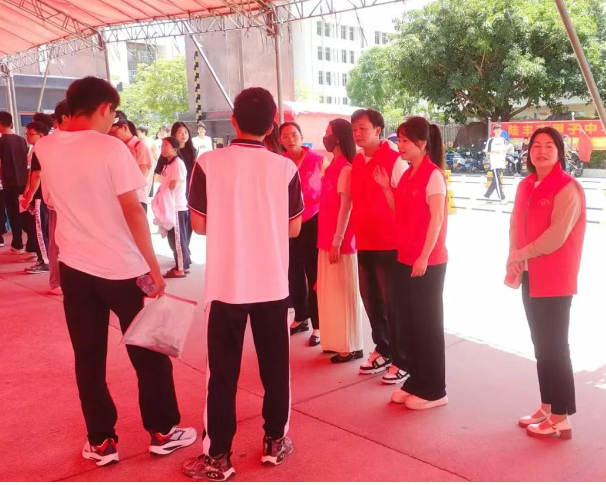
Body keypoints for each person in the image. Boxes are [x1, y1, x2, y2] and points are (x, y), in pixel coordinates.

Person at [34, 76, 196, 466]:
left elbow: (52, 200)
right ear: (105, 107)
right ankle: (162, 431)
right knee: (148, 350)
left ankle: (101, 441)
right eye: (113, 113)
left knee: (88, 357)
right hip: (123, 268)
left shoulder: (45, 146)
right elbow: (133, 211)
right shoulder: (111, 148)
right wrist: (154, 267)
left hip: (75, 268)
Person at [184, 87, 302, 481]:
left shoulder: (208, 163)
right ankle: (274, 442)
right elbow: (294, 228)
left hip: (226, 284)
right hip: (271, 284)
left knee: (222, 374)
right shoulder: (284, 168)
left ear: (233, 120)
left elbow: (199, 225)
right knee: (275, 368)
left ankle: (218, 457)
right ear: (272, 125)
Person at [506, 127, 586, 440]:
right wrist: (514, 255)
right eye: (536, 145)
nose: (541, 151)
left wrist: (520, 253)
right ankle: (548, 404)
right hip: (531, 275)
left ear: (559, 152)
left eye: (549, 146)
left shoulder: (567, 187)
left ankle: (560, 417)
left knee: (555, 346)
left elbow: (556, 236)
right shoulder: (526, 184)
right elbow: (515, 223)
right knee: (541, 344)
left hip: (555, 278)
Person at [374, 117, 449, 410]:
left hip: (427, 262)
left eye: (405, 140)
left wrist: (424, 256)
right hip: (405, 257)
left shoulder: (433, 175)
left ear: (422, 143)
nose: (400, 145)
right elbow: (401, 209)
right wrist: (385, 188)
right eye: (400, 139)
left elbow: (437, 219)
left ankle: (435, 389)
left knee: (428, 325)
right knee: (410, 323)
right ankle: (417, 381)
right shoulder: (407, 174)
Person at [350, 108, 409, 385]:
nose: (357, 133)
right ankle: (383, 349)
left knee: (392, 304)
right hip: (364, 241)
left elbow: (405, 204)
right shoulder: (357, 160)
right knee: (371, 301)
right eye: (354, 129)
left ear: (378, 129)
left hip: (390, 244)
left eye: (362, 128)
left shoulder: (395, 160)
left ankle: (402, 359)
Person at [317, 119, 363, 363]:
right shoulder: (331, 166)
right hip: (325, 237)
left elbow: (346, 207)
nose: (325, 137)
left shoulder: (346, 168)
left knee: (343, 293)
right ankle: (335, 340)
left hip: (341, 242)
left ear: (337, 138)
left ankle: (350, 344)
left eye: (328, 133)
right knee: (330, 293)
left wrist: (337, 240)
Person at [280, 121, 326, 346]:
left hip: (313, 220)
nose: (290, 139)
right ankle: (300, 316)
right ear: (280, 140)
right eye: (285, 136)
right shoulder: (280, 163)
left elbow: (330, 192)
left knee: (314, 272)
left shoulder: (318, 160)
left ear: (301, 136)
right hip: (287, 223)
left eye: (294, 134)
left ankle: (319, 324)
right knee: (293, 271)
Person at [154, 136, 191, 278]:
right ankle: (182, 265)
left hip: (176, 206)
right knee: (176, 238)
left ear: (175, 149)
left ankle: (180, 269)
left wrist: (162, 194)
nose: (163, 149)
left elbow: (173, 185)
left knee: (177, 239)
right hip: (171, 205)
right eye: (162, 146)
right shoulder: (169, 163)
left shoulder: (177, 163)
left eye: (166, 146)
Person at [45, 100, 72, 295]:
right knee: (57, 243)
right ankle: (56, 281)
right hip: (59, 204)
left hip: (72, 203)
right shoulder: (51, 144)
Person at [20, 121, 51, 274]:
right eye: (26, 134)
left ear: (42, 135)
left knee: (39, 229)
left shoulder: (40, 150)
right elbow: (32, 172)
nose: (27, 137)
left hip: (40, 195)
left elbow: (37, 175)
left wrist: (30, 196)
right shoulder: (41, 149)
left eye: (30, 134)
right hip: (46, 194)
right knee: (44, 229)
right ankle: (45, 259)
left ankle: (45, 261)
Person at [110, 112, 153, 213]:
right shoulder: (119, 148)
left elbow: (140, 177)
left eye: (113, 133)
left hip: (137, 200)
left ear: (125, 127)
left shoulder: (140, 147)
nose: (112, 136)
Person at [0, 111, 29, 255]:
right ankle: (30, 244)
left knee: (13, 214)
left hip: (9, 183)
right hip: (24, 182)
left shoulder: (1, 142)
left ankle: (18, 244)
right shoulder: (22, 140)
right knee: (24, 214)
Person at [484, 123, 508, 203]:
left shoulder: (503, 140)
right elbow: (487, 152)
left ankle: (487, 194)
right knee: (497, 180)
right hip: (494, 163)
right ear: (493, 131)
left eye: (499, 130)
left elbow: (504, 151)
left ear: (501, 131)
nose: (498, 131)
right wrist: (495, 152)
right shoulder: (491, 140)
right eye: (496, 130)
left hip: (501, 163)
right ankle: (502, 198)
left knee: (496, 180)